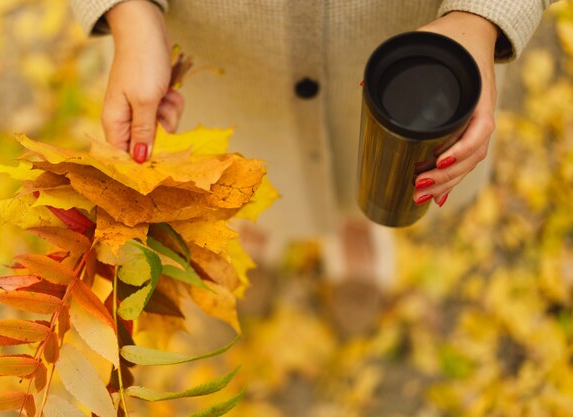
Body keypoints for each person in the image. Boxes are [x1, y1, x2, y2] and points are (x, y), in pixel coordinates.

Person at [69, 0, 557, 285]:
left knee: (377, 169)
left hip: (403, 45)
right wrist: (131, 14)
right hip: (224, 54)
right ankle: (259, 227)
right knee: (243, 166)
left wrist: (482, 16)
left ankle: (358, 229)